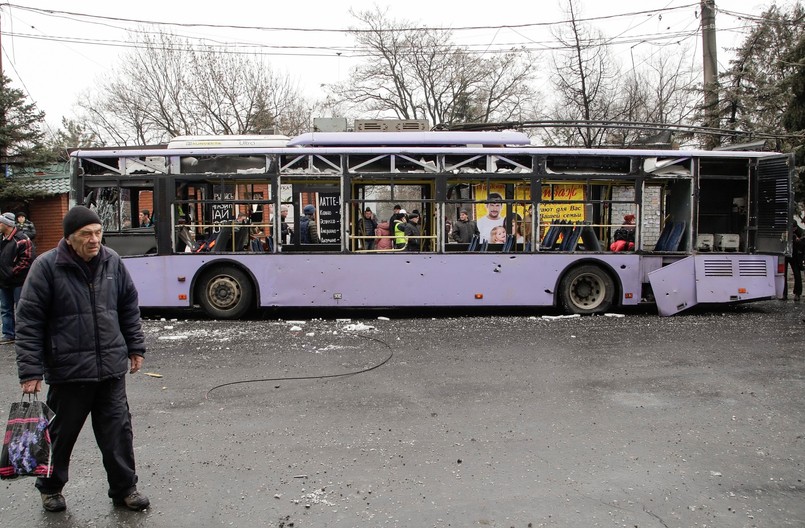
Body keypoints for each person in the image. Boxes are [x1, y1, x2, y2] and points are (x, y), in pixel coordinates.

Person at [15, 206, 150, 513]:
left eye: (98, 232)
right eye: (86, 234)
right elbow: (29, 321)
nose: (94, 240)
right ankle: (50, 488)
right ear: (69, 238)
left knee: (118, 433)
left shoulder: (112, 261)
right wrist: (30, 371)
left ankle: (124, 489)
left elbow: (128, 306)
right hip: (69, 371)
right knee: (60, 436)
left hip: (111, 370)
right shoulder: (46, 267)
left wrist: (135, 348)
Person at [0, 212, 34, 345]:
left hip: (19, 281)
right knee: (5, 308)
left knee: (21, 307)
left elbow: (27, 259)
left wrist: (11, 272)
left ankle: (23, 333)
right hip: (3, 281)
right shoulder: (1, 239)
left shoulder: (22, 238)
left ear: (6, 224)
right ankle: (8, 333)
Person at [785, 220, 804, 301]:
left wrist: (797, 240)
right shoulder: (786, 231)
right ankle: (783, 293)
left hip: (795, 255)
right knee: (783, 274)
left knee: (797, 274)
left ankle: (797, 293)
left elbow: (803, 245)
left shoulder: (800, 232)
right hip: (786, 253)